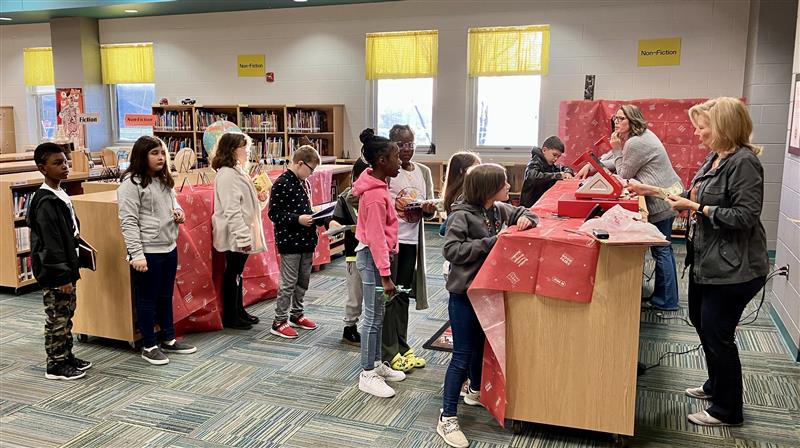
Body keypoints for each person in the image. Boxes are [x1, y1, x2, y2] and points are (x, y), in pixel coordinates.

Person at [668, 97, 768, 426]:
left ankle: (728, 410)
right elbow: (698, 194)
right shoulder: (716, 157)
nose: (697, 134)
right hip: (707, 262)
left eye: (702, 127)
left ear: (724, 126)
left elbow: (745, 215)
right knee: (701, 322)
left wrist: (699, 209)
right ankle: (715, 386)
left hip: (735, 268)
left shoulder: (743, 162)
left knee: (718, 333)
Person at [437, 164, 539, 448]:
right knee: (461, 354)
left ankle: (474, 390)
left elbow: (526, 213)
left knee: (481, 345)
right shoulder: (461, 215)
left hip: (487, 290)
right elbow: (452, 251)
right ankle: (447, 417)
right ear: (488, 189)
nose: (509, 187)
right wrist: (492, 242)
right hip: (465, 295)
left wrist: (526, 220)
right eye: (504, 183)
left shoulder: (497, 209)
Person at [118, 136, 196, 365]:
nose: (161, 157)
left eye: (162, 153)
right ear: (142, 155)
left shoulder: (163, 180)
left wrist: (178, 212)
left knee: (165, 295)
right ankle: (149, 345)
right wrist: (137, 254)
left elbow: (173, 203)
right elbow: (128, 222)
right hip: (147, 251)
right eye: (154, 153)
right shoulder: (130, 184)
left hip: (168, 246)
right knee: (147, 299)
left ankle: (168, 338)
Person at [27, 143, 91, 380]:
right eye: (57, 163)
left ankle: (66, 355)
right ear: (42, 168)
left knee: (67, 313)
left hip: (67, 266)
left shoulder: (60, 193)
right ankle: (55, 364)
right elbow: (50, 244)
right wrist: (62, 275)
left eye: (65, 161)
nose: (64, 167)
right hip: (56, 272)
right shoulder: (45, 202)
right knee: (56, 317)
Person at [610, 104, 682, 311]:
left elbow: (623, 173)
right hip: (666, 194)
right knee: (663, 249)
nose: (617, 122)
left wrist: (616, 149)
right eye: (615, 118)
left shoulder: (635, 142)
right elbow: (614, 160)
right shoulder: (642, 136)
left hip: (661, 200)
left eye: (621, 119)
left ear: (633, 121)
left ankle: (667, 300)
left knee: (662, 250)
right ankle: (663, 296)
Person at [352, 128, 406, 397]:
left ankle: (376, 365)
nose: (400, 161)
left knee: (379, 314)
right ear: (382, 161)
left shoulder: (379, 187)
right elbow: (375, 238)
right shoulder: (374, 195)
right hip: (372, 260)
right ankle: (367, 373)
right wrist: (385, 275)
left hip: (377, 259)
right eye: (396, 157)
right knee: (372, 318)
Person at [383, 124, 436, 372]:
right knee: (389, 296)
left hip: (412, 243)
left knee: (403, 295)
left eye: (411, 143)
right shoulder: (388, 171)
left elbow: (431, 206)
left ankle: (403, 346)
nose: (407, 149)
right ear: (391, 145)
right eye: (401, 144)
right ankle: (390, 350)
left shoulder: (423, 172)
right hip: (392, 244)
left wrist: (428, 209)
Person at [212, 133, 268, 331]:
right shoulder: (227, 174)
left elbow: (249, 205)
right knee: (233, 272)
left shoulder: (239, 171)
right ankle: (231, 315)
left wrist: (261, 197)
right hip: (235, 233)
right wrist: (243, 236)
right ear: (231, 149)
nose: (247, 151)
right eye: (243, 147)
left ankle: (239, 310)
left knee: (238, 272)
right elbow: (232, 210)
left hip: (242, 230)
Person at [268, 145, 322, 338]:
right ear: (300, 163)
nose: (311, 174)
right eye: (311, 169)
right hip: (290, 242)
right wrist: (297, 219)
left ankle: (296, 314)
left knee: (303, 281)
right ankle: (279, 321)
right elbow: (273, 213)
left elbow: (305, 208)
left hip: (307, 240)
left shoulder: (302, 182)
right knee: (288, 283)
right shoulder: (282, 183)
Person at [330, 157, 370, 345]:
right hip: (355, 252)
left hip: (376, 252)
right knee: (355, 293)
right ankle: (350, 327)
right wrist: (338, 226)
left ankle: (375, 327)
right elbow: (334, 220)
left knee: (376, 293)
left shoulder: (379, 194)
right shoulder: (346, 197)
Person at [519, 136, 575, 207]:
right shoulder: (535, 162)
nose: (556, 159)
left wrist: (568, 172)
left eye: (558, 157)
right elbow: (533, 177)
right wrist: (558, 175)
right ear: (544, 150)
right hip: (530, 206)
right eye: (554, 155)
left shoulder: (549, 164)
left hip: (541, 203)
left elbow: (562, 168)